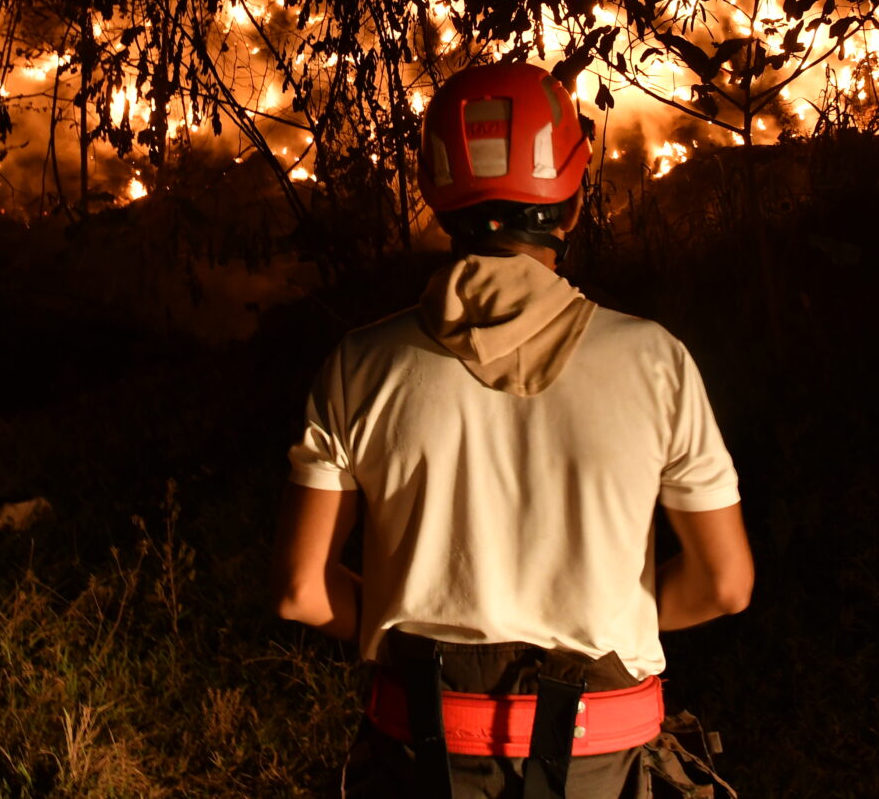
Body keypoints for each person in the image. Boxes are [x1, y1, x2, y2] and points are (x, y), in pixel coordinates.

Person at [274, 60, 753, 798]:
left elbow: (303, 591)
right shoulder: (656, 361)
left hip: (422, 759)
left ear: (437, 197)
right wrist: (603, 606)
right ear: (573, 197)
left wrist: (419, 609)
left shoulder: (360, 364)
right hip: (601, 759)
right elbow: (725, 583)